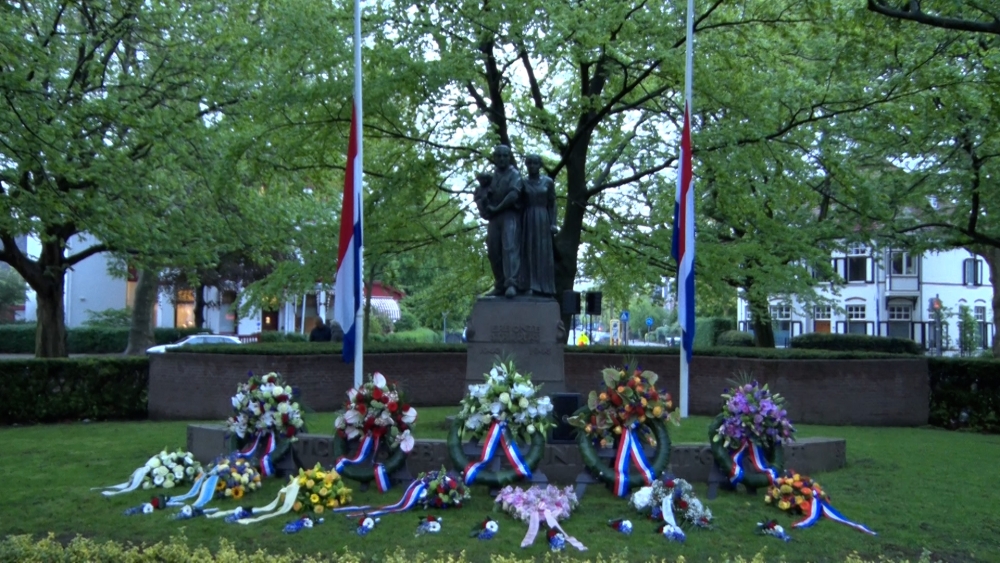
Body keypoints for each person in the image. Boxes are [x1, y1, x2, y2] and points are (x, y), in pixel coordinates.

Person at [481, 145, 522, 298]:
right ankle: (500, 283)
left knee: (509, 247)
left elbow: (513, 195)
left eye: (505, 156)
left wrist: (497, 208)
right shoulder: (493, 177)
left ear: (509, 157)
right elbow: (486, 195)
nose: (502, 159)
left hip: (509, 215)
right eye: (499, 156)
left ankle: (511, 283)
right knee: (493, 249)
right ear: (495, 158)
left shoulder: (515, 175)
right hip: (494, 217)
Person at [518, 154, 558, 296]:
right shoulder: (522, 182)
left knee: (543, 252)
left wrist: (553, 223)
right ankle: (530, 285)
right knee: (529, 251)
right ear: (526, 165)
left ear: (540, 165)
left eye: (535, 163)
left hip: (543, 219)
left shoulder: (548, 182)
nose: (532, 166)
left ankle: (545, 287)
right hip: (528, 219)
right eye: (530, 163)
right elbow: (518, 204)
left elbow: (552, 203)